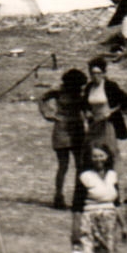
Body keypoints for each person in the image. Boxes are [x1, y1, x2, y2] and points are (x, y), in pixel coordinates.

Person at [41, 68, 89, 209]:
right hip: (61, 128)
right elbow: (42, 98)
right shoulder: (58, 91)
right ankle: (58, 196)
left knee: (80, 165)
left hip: (78, 129)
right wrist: (47, 113)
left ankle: (78, 197)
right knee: (63, 165)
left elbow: (87, 109)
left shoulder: (82, 92)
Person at [76, 144, 125, 253]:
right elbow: (77, 206)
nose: (98, 159)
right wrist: (76, 229)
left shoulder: (112, 175)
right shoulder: (84, 176)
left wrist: (123, 226)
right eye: (95, 156)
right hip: (90, 220)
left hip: (109, 221)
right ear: (90, 158)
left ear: (107, 157)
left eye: (101, 156)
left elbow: (116, 203)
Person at [81, 56, 127, 169]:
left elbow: (126, 101)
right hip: (94, 123)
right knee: (93, 151)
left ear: (104, 73)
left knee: (110, 151)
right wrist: (87, 112)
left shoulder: (110, 86)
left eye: (98, 73)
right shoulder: (89, 87)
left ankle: (113, 176)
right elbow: (84, 103)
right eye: (92, 73)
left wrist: (112, 111)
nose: (95, 76)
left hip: (108, 123)